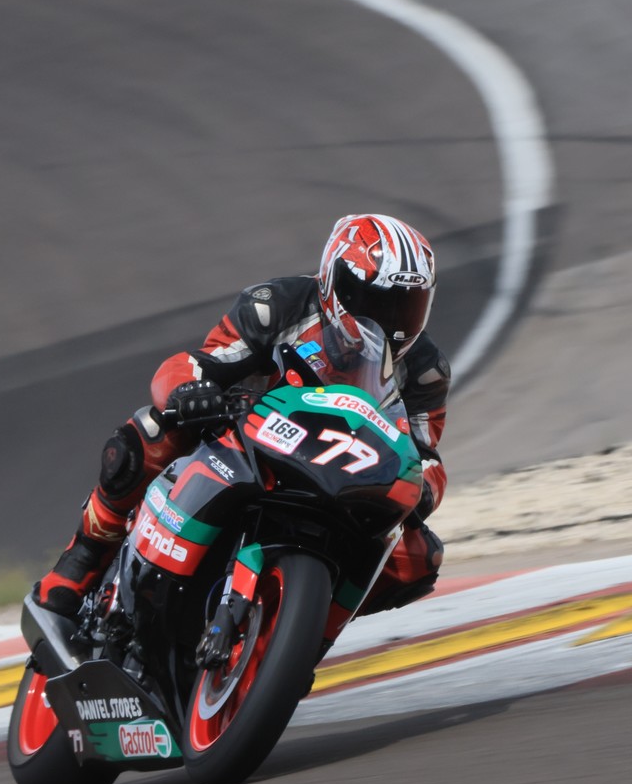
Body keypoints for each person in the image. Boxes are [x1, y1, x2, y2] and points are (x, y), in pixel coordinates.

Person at [31, 213, 450, 633]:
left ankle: (296, 628)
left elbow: (423, 455)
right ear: (335, 282)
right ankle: (83, 558)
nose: (392, 320)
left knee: (415, 558)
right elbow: (199, 363)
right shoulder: (276, 306)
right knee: (152, 432)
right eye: (376, 301)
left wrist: (423, 489)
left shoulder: (425, 370)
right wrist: (189, 391)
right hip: (247, 441)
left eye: (407, 306)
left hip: (343, 473)